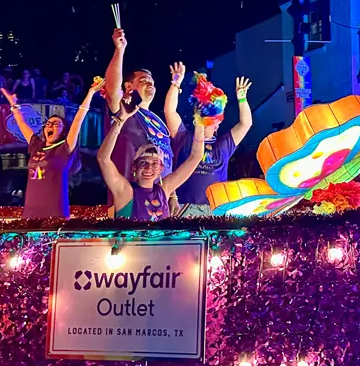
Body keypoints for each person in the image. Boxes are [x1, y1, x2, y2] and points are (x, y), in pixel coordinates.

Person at [2, 78, 103, 220]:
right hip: (31, 212)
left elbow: (78, 120)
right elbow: (21, 124)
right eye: (48, 123)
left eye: (56, 124)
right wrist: (14, 105)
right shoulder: (36, 145)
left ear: (63, 131)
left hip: (55, 212)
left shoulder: (64, 148)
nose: (50, 126)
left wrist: (91, 92)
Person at [164, 64, 254, 217]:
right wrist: (175, 84)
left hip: (215, 208)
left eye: (208, 121)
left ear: (217, 125)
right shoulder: (184, 137)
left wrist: (242, 98)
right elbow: (169, 111)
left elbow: (246, 124)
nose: (203, 123)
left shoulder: (223, 145)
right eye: (201, 119)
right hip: (184, 206)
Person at [97, 101, 206, 222]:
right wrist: (120, 120)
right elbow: (103, 159)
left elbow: (196, 156)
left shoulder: (164, 190)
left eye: (155, 164)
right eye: (143, 163)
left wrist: (200, 120)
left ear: (161, 169)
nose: (149, 168)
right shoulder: (125, 191)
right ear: (134, 167)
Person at [103, 28, 173, 195]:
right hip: (129, 194)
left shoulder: (159, 123)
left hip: (160, 197)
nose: (150, 85)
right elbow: (112, 91)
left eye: (152, 82)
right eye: (144, 81)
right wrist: (120, 50)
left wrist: (172, 195)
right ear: (128, 86)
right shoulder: (126, 111)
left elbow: (167, 161)